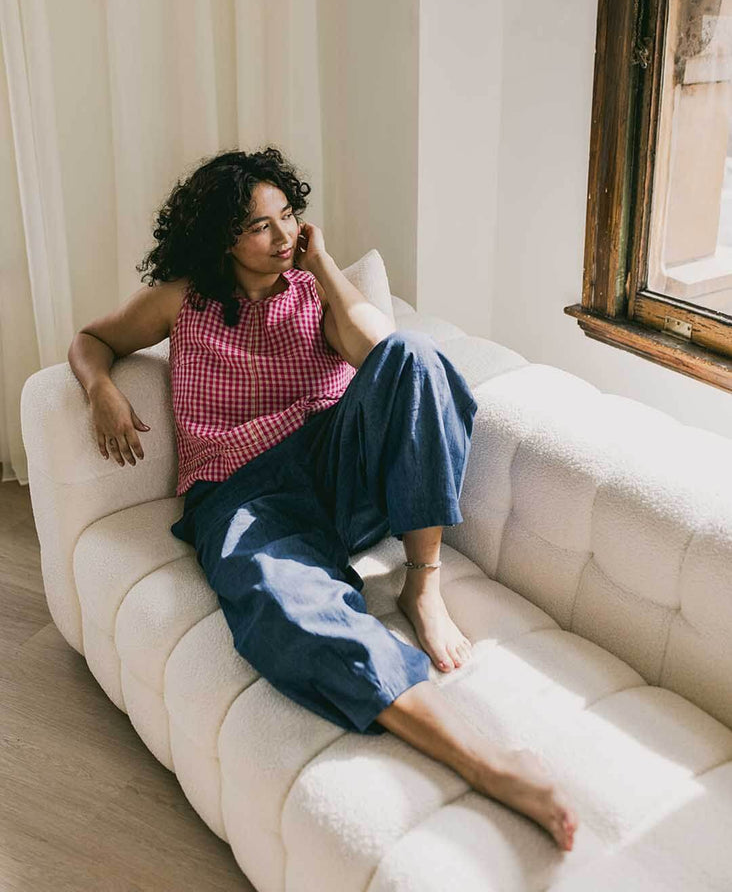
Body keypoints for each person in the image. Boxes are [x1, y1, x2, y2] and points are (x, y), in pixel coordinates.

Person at [68, 147, 578, 851]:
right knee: (283, 607)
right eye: (259, 226)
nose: (282, 237)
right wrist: (102, 390)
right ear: (222, 237)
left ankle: (420, 586)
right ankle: (485, 761)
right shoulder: (181, 301)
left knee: (420, 357)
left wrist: (324, 269)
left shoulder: (312, 292)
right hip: (243, 496)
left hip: (333, 467)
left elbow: (386, 352)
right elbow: (92, 339)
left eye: (289, 217)